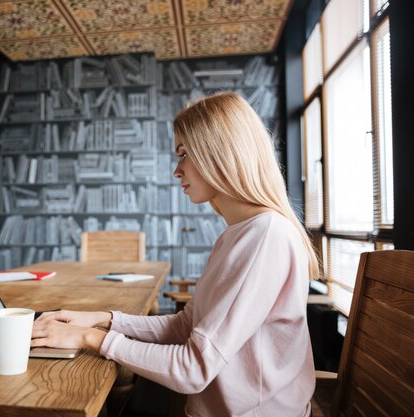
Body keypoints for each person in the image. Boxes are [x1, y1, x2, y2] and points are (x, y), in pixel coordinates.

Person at [32, 92, 319, 417]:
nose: (176, 171)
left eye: (183, 154)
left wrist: (89, 339)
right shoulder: (237, 235)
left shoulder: (265, 237)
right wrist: (102, 320)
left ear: (219, 152)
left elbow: (191, 369)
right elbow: (186, 325)